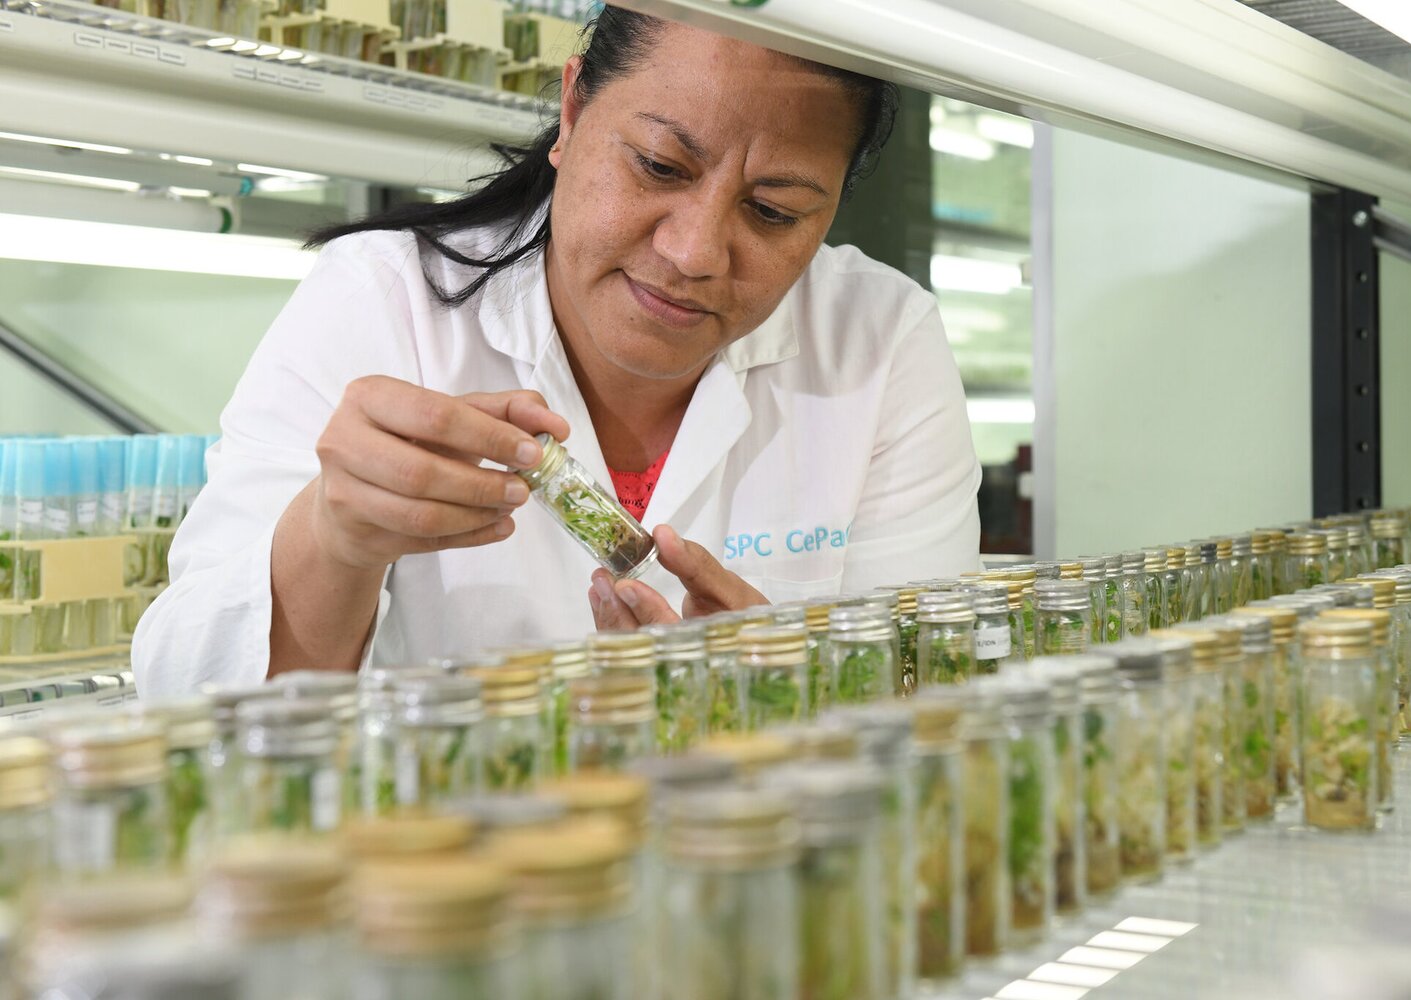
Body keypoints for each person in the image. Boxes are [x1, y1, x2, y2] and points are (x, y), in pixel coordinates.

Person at [132, 6, 981, 697]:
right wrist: (334, 536)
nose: (695, 252)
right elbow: (188, 694)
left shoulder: (880, 340)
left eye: (774, 211)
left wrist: (799, 694)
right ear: (573, 112)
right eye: (658, 165)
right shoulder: (381, 300)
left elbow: (937, 694)